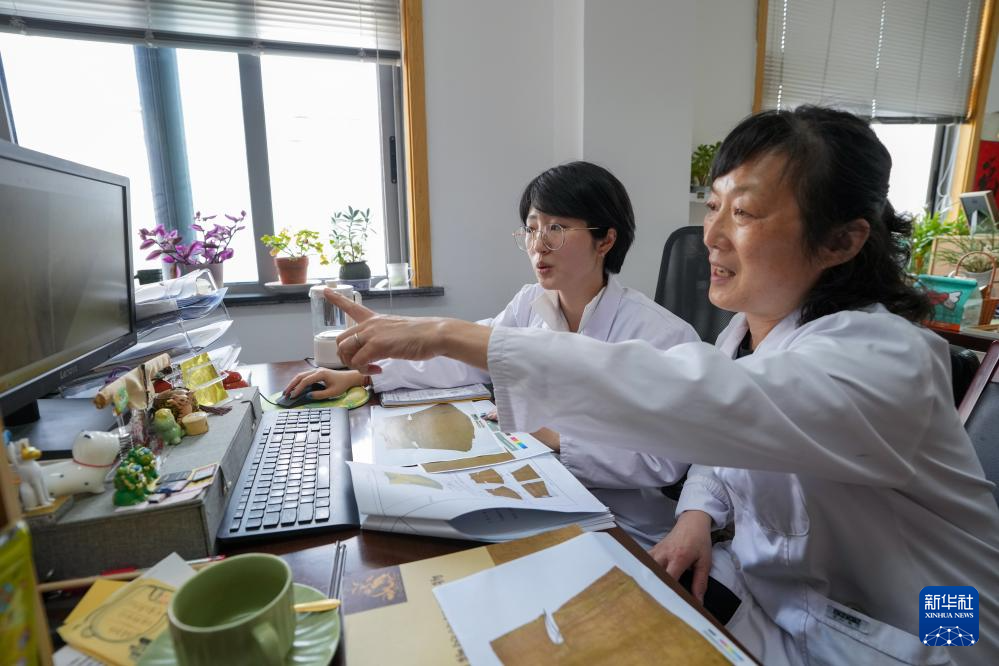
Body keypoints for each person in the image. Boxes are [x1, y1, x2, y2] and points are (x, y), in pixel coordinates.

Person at [329, 107, 999, 665]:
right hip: (787, 606)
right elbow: (721, 447)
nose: (711, 236)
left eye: (745, 212)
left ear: (841, 241)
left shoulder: (886, 358)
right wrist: (697, 516)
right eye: (713, 207)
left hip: (933, 621)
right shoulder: (741, 341)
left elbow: (710, 406)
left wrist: (450, 335)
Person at [286, 161, 699, 548]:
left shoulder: (661, 334)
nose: (539, 246)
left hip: (620, 523)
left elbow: (664, 460)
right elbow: (468, 356)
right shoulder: (530, 303)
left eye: (556, 228)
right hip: (535, 491)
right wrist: (364, 376)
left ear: (605, 239)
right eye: (531, 229)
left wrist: (554, 437)